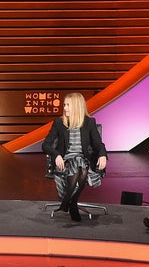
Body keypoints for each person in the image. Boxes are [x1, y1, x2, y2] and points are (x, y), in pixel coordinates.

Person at [42, 92, 107, 221]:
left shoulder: (89, 122)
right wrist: (56, 155)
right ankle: (72, 204)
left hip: (84, 162)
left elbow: (98, 144)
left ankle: (68, 203)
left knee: (80, 165)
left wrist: (103, 155)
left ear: (77, 107)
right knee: (79, 165)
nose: (64, 108)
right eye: (64, 105)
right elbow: (46, 145)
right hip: (65, 161)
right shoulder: (59, 123)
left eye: (68, 105)